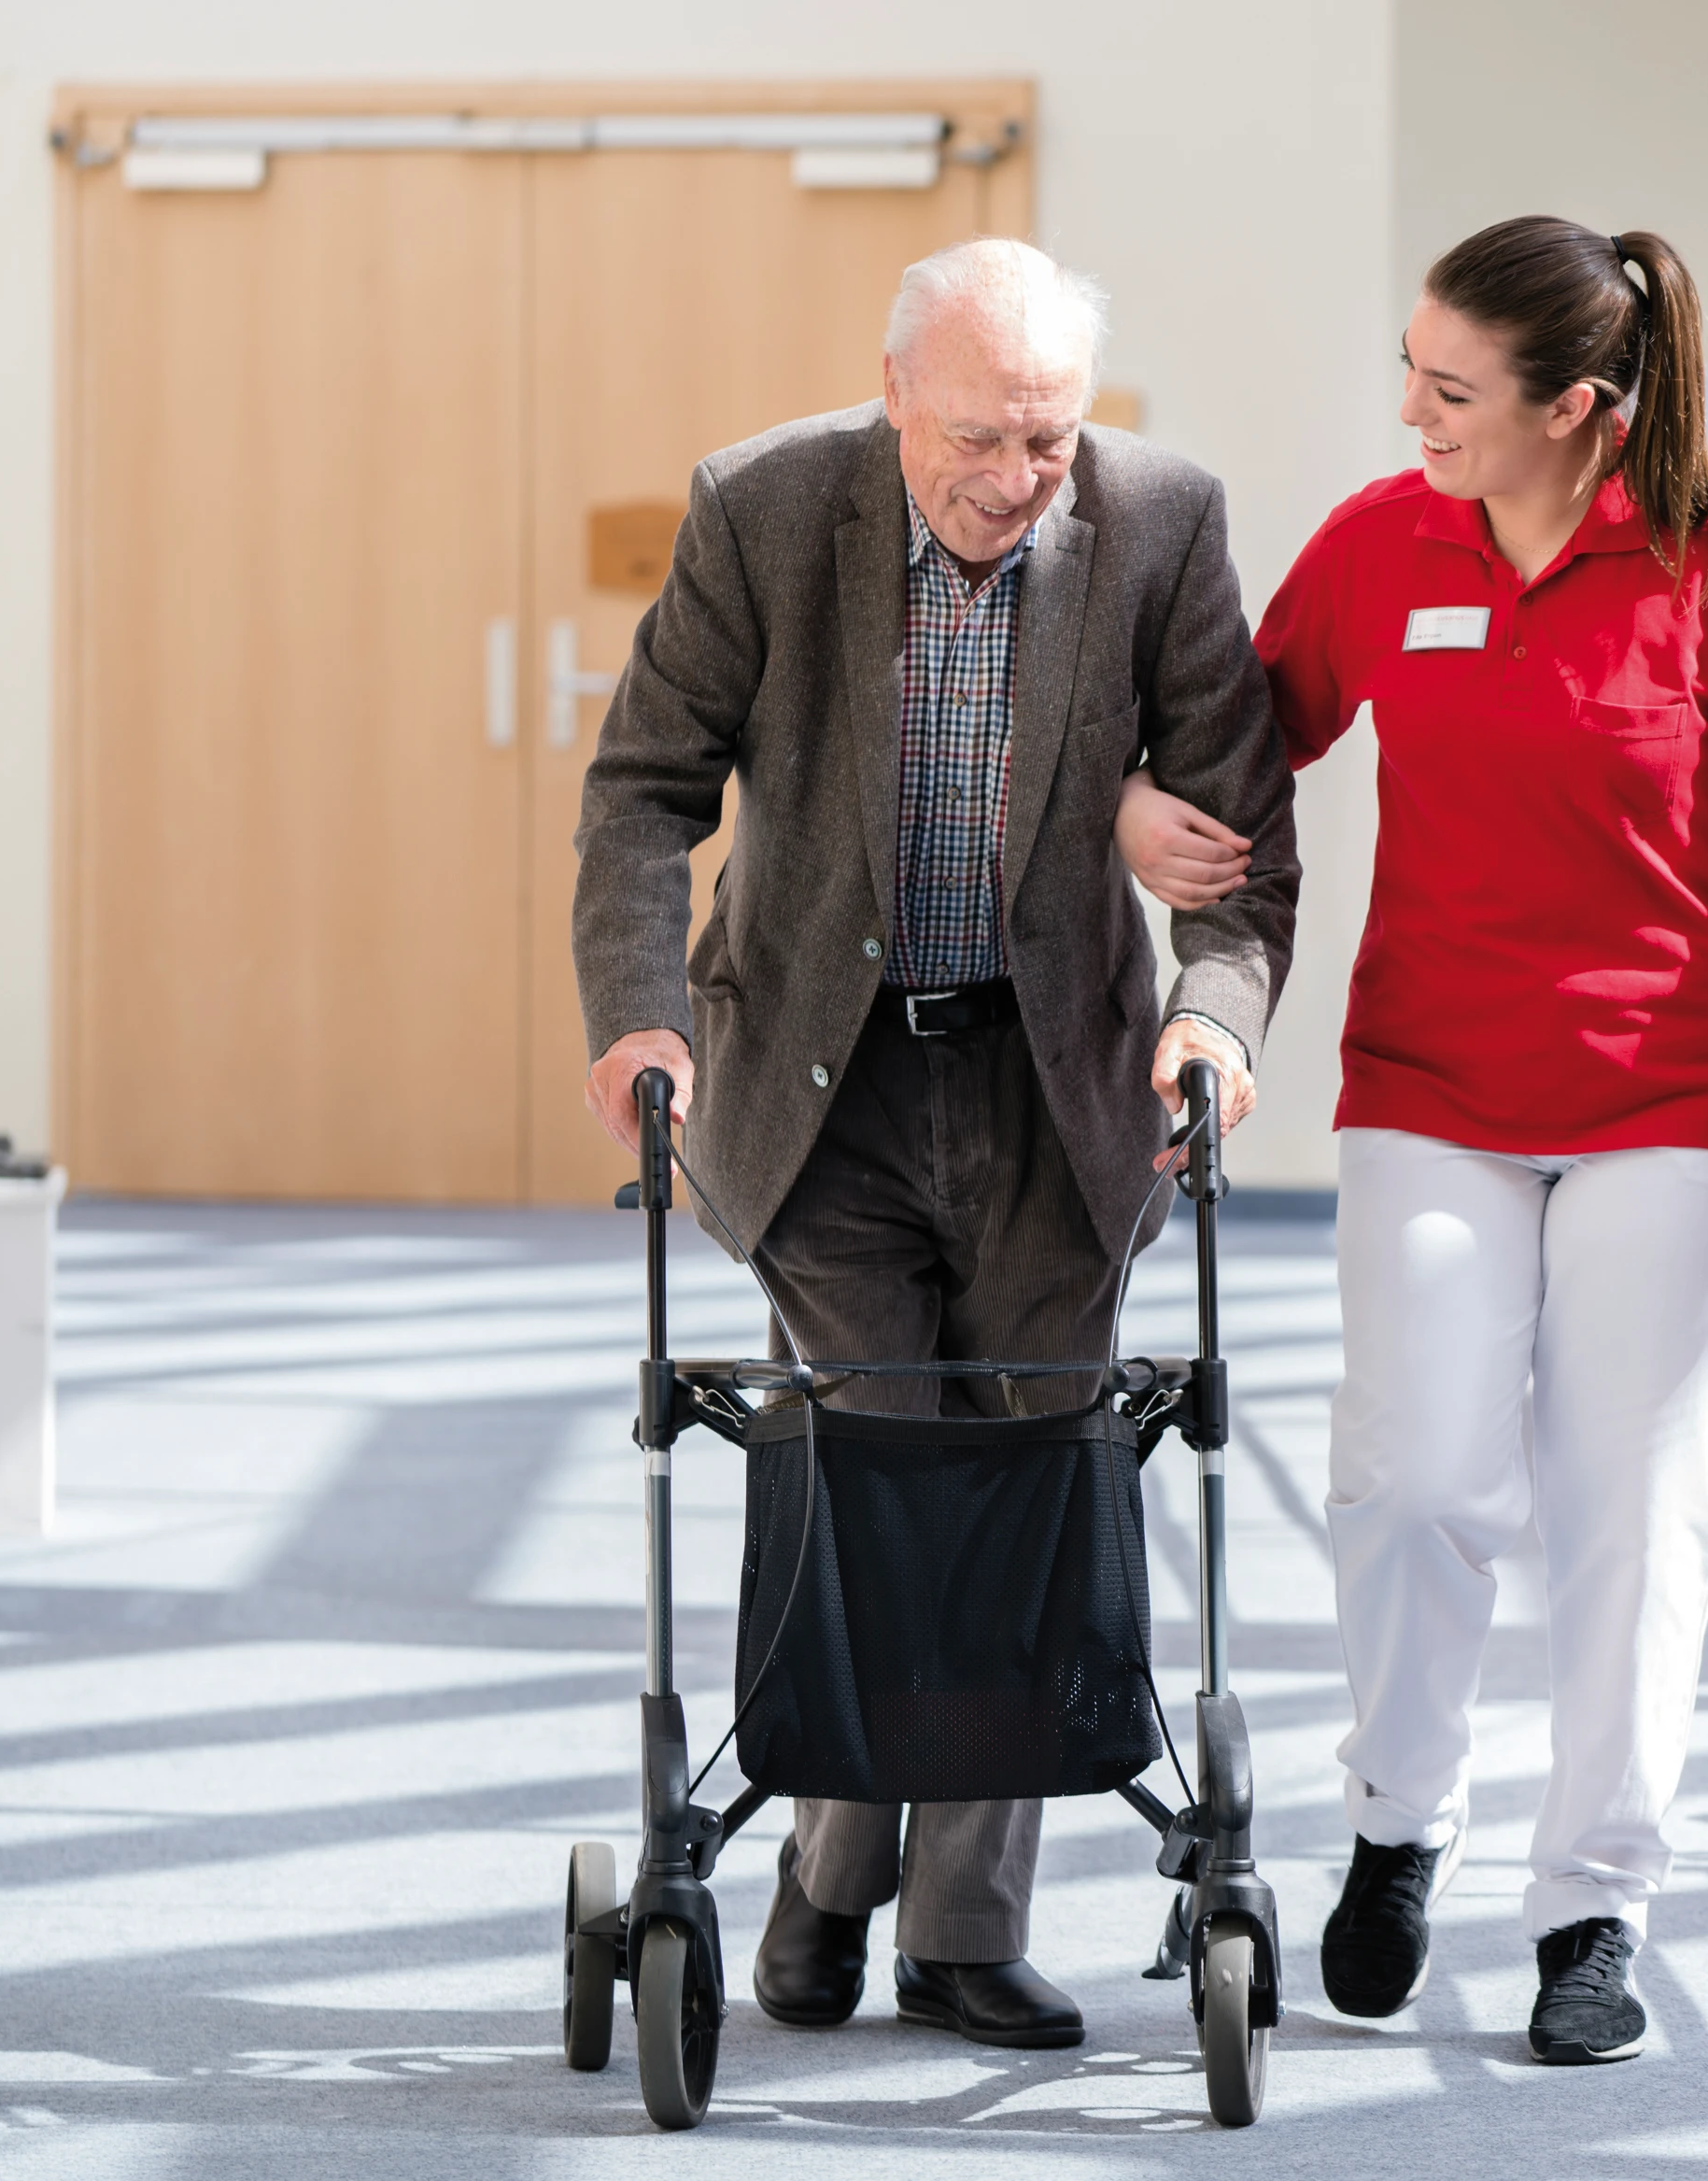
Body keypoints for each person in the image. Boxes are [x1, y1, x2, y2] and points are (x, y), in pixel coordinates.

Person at [1120, 215, 1708, 2065]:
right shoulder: (1387, 543)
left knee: (1635, 1511)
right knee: (1416, 1477)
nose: (1413, 412)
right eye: (1410, 370)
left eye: (1451, 390)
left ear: (1579, 406)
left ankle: (1596, 1901)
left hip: (1671, 1100)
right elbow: (1239, 742)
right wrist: (1132, 804)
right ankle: (1398, 1821)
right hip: (1434, 1087)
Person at [574, 237, 1298, 2053]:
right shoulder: (763, 508)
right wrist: (639, 1012)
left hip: (1059, 1091)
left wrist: (1215, 1018)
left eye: (1047, 440)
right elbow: (646, 789)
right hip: (826, 1090)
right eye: (977, 436)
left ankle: (963, 1928)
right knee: (875, 1471)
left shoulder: (1161, 521)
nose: (1013, 477)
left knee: (1032, 1484)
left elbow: (1241, 845)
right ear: (895, 390)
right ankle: (833, 1868)